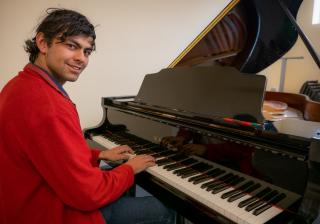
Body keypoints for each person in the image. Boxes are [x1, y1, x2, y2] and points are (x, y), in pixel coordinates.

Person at [0, 8, 174, 224]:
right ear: (43, 43)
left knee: (115, 179)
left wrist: (97, 156)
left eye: (87, 51)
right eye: (72, 46)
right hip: (50, 213)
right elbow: (88, 194)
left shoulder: (20, 85)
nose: (81, 58)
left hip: (25, 203)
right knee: (163, 208)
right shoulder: (47, 105)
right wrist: (129, 169)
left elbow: (52, 154)